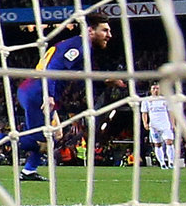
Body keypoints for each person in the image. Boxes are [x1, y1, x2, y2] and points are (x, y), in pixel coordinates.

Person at [16, 13, 119, 182]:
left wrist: (105, 81)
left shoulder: (81, 47)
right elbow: (52, 68)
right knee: (42, 140)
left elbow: (81, 78)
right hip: (37, 92)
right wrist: (48, 95)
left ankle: (28, 171)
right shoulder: (78, 47)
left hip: (35, 90)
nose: (109, 35)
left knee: (56, 135)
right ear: (90, 30)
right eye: (105, 30)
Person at [141, 83, 177, 169]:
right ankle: (162, 163)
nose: (156, 90)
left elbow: (171, 112)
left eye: (157, 88)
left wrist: (173, 124)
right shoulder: (146, 100)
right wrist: (145, 123)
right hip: (154, 126)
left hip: (165, 125)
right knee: (157, 144)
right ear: (150, 90)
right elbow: (144, 113)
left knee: (169, 142)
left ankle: (171, 162)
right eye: (154, 88)